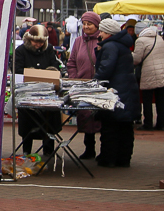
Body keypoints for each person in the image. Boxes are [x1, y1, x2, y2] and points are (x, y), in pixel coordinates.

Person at [94, 18, 140, 167]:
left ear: (108, 32)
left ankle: (108, 158)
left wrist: (94, 81)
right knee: (125, 127)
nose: (99, 34)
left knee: (110, 127)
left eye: (101, 31)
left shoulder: (110, 46)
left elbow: (105, 69)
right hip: (127, 90)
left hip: (115, 92)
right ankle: (123, 158)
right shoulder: (123, 45)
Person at [13, 24, 63, 155]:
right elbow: (17, 70)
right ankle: (26, 151)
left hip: (48, 95)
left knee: (48, 124)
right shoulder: (21, 51)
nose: (39, 44)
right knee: (28, 125)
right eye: (36, 41)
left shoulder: (50, 49)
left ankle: (48, 151)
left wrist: (49, 73)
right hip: (27, 94)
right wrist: (38, 74)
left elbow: (55, 65)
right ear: (29, 40)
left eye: (42, 42)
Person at [65, 11, 102, 159]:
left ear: (97, 25)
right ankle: (89, 148)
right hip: (82, 85)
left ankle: (104, 150)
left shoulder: (102, 40)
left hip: (99, 86)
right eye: (84, 24)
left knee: (100, 116)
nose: (86, 27)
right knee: (86, 117)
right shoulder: (79, 41)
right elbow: (71, 62)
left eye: (90, 24)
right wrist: (74, 78)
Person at [133, 23, 164, 130]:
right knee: (161, 99)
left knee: (147, 99)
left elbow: (136, 59)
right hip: (163, 72)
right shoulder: (159, 38)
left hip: (149, 72)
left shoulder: (140, 41)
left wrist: (130, 55)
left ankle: (148, 123)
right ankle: (161, 123)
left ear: (138, 33)